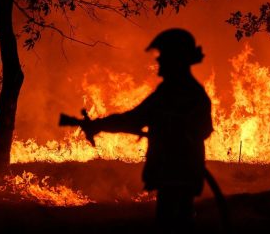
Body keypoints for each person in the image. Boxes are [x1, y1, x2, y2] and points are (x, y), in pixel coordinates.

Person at [82, 28, 213, 232]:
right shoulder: (188, 91)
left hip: (175, 172)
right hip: (184, 171)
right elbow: (135, 119)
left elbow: (134, 120)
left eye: (164, 55)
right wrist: (100, 124)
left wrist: (99, 125)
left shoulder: (173, 92)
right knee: (181, 220)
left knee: (170, 221)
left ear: (176, 59)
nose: (159, 60)